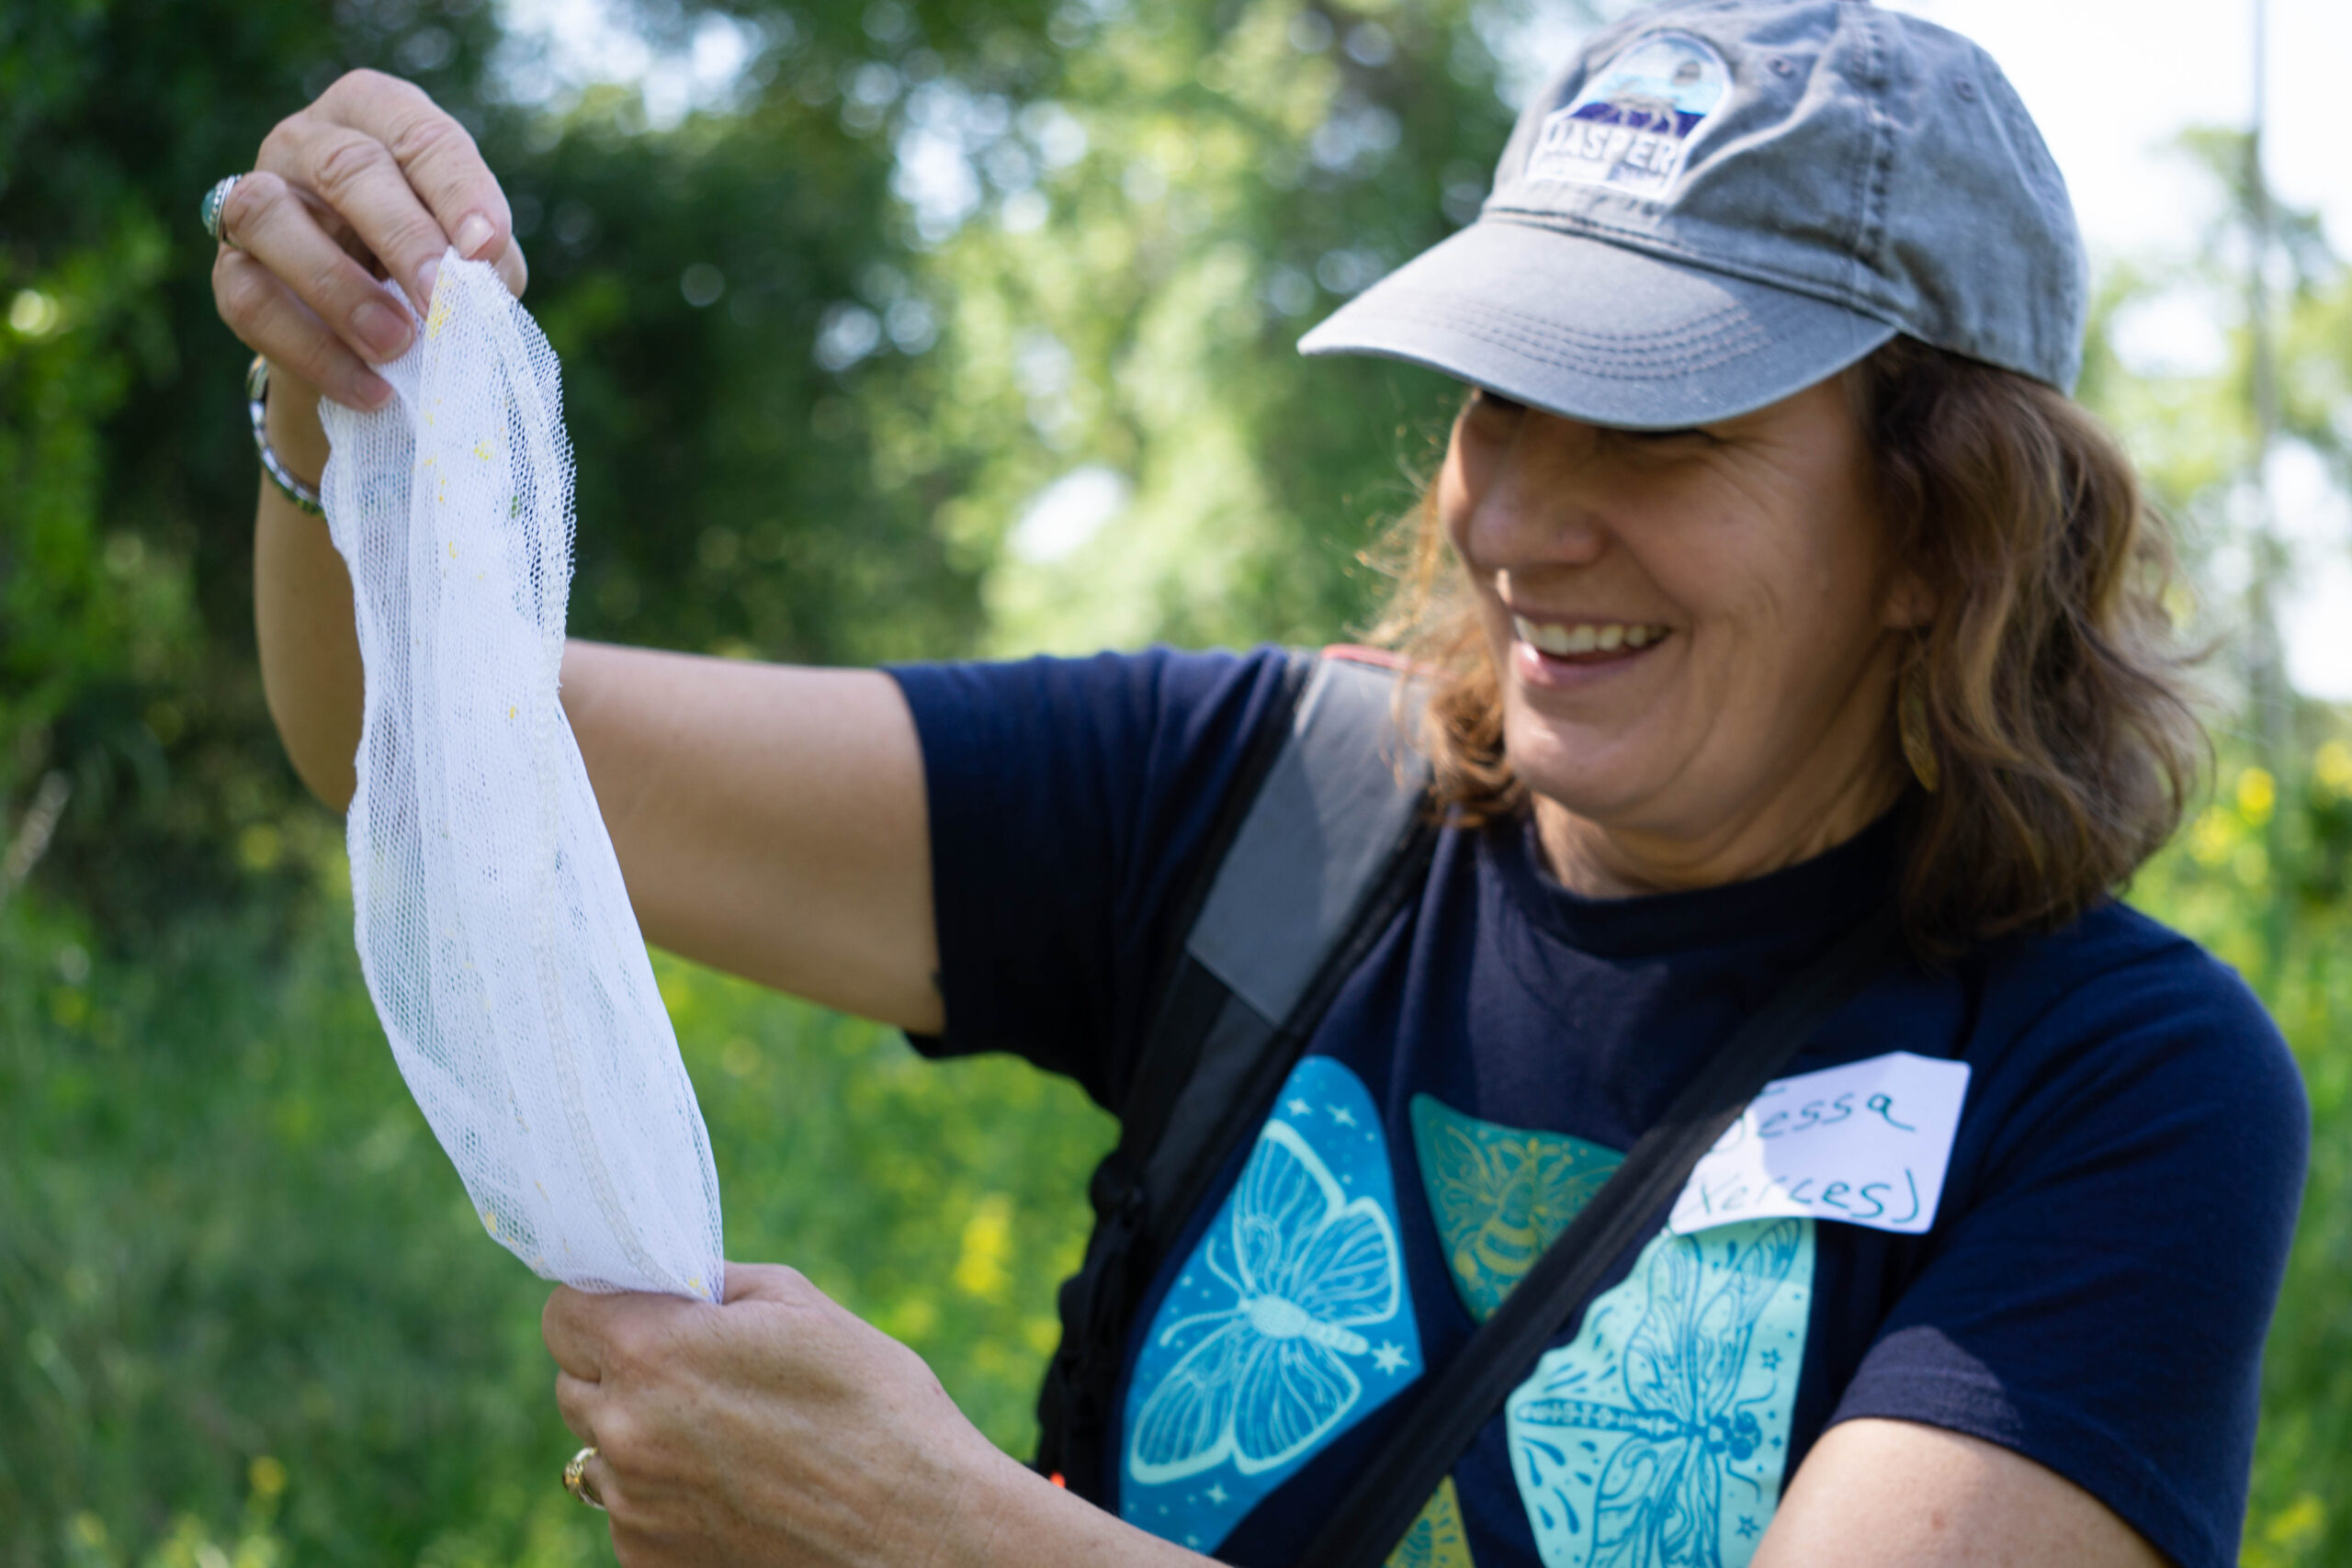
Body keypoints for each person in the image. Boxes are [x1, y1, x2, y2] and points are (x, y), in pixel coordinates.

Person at [209, 2, 2307, 1564]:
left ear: (1944, 528)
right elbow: (408, 741)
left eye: (1660, 431)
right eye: (1505, 395)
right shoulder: (1275, 802)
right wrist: (347, 387)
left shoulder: (2111, 1084)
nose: (1523, 520)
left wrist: (931, 1529)